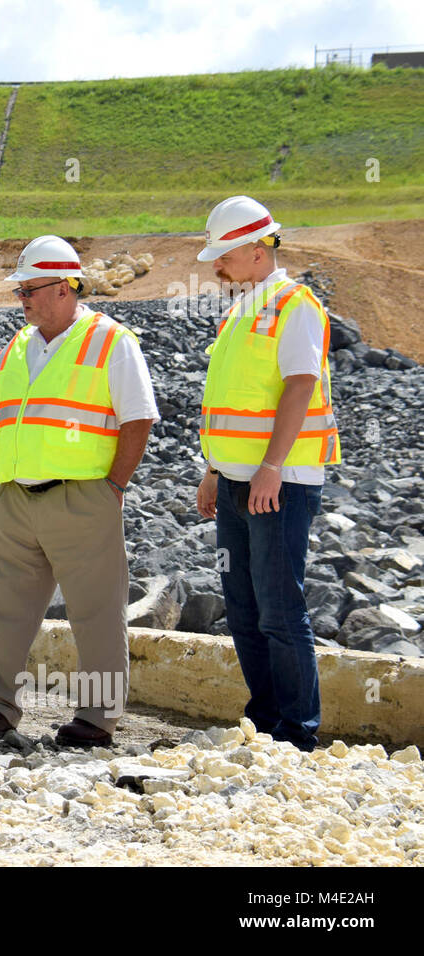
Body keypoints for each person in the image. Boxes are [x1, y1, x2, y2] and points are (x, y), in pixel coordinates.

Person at [0, 235, 158, 748]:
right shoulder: (15, 348)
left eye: (31, 288)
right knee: (7, 611)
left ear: (67, 287)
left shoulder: (113, 342)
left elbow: (138, 420)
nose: (22, 298)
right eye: (20, 290)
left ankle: (98, 719)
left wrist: (112, 488)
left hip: (83, 497)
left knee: (96, 613)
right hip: (18, 500)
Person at [194, 196, 340, 753]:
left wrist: (271, 468)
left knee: (280, 608)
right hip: (236, 481)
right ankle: (265, 719)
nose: (215, 267)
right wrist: (213, 469)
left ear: (257, 250)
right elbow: (232, 401)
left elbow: (300, 386)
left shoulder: (294, 304)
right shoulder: (240, 311)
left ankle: (299, 732)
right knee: (246, 609)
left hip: (280, 483)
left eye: (224, 255)